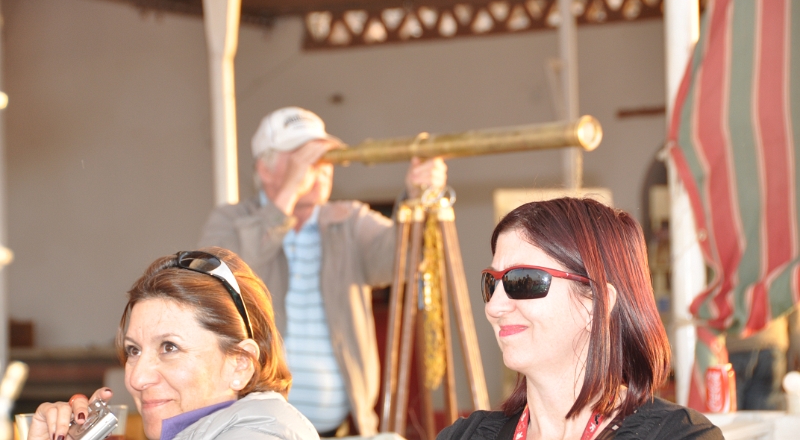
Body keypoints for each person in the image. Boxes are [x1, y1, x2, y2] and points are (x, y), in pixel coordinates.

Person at [199, 106, 447, 436]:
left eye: (325, 158)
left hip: (342, 430)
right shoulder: (230, 221)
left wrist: (418, 197)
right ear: (265, 168)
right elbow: (222, 283)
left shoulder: (349, 221)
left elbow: (405, 258)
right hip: (256, 431)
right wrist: (287, 196)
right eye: (304, 157)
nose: (321, 167)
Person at [438, 198, 722, 440]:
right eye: (492, 283)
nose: (494, 306)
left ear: (595, 304)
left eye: (523, 281)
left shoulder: (679, 436)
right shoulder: (464, 436)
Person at [27, 247, 319, 440]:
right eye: (133, 350)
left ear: (239, 364)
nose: (137, 379)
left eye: (169, 347)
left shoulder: (264, 434)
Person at [727, 307, 800, 410]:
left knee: (730, 409)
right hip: (771, 344)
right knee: (765, 410)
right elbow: (794, 308)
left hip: (734, 345)